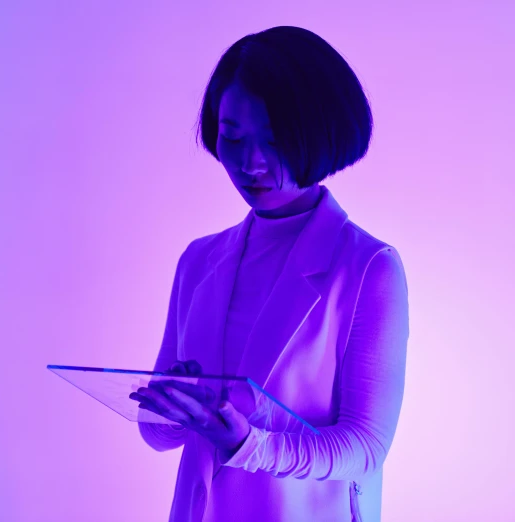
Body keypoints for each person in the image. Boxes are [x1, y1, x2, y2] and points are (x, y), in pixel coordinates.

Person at [129, 26, 410, 522]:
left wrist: (250, 444)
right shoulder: (198, 261)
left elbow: (365, 447)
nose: (250, 162)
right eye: (232, 136)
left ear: (320, 135)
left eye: (276, 141)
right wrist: (174, 407)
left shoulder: (369, 267)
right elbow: (155, 434)